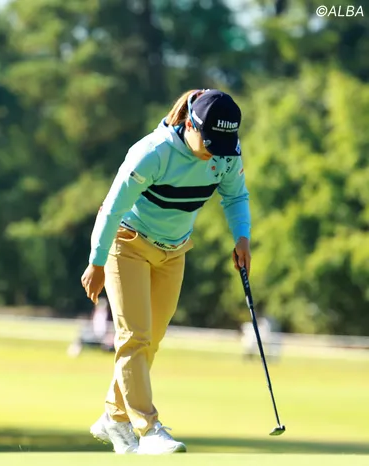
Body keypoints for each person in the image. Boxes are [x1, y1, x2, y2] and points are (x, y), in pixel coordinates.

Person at [81, 89, 252, 455]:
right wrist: (97, 261)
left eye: (222, 145)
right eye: (210, 142)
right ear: (190, 125)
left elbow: (235, 196)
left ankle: (114, 416)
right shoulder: (153, 153)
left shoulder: (226, 153)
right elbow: (112, 208)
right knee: (135, 337)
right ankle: (148, 430)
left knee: (150, 341)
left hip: (174, 251)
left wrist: (242, 237)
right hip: (127, 243)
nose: (216, 153)